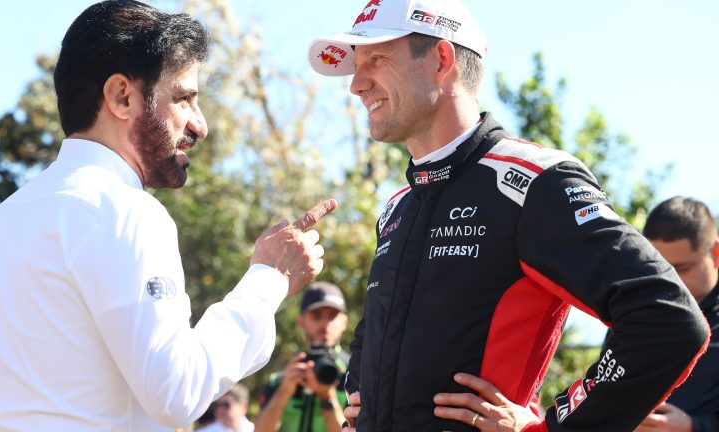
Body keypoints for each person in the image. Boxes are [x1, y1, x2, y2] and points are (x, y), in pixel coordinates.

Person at [306, 0, 709, 430]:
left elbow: (668, 319)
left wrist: (549, 428)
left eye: (377, 59)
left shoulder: (534, 181)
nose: (357, 85)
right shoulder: (398, 206)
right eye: (356, 67)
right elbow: (372, 338)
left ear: (441, 59)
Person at [0, 1, 336, 431]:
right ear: (122, 96)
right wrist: (268, 279)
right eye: (184, 98)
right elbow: (178, 392)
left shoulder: (0, 226)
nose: (200, 125)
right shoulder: (123, 211)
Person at [633, 197, 719, 432]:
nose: (670, 282)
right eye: (659, 269)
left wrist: (695, 427)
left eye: (681, 269)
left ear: (715, 253)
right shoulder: (633, 314)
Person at [254, 282, 350, 432]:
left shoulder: (354, 375)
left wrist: (327, 397)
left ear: (344, 321)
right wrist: (284, 391)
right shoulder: (281, 377)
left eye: (332, 316)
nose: (325, 324)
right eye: (316, 316)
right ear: (301, 321)